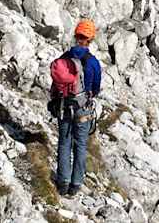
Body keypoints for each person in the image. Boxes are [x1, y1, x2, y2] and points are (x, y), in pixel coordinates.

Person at [53, 19, 102, 197]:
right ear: (90, 40)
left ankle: (63, 182)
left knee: (64, 142)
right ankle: (75, 184)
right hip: (83, 109)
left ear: (76, 36)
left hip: (64, 105)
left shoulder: (65, 57)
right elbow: (96, 87)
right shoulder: (93, 62)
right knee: (80, 145)